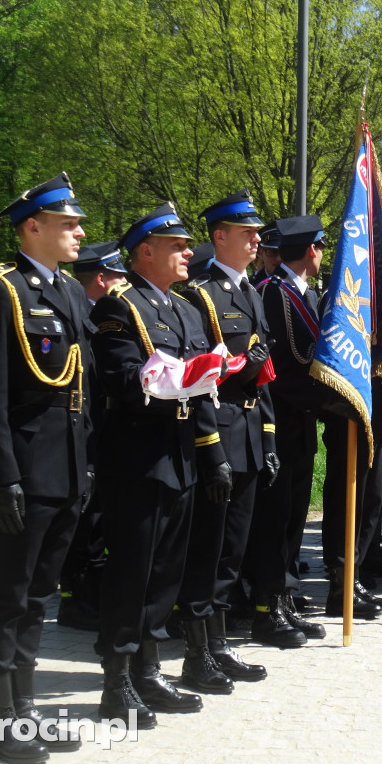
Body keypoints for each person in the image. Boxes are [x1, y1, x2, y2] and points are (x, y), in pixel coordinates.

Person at [0, 173, 91, 761]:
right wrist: (2, 475)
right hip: (23, 469)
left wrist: (84, 468)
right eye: (68, 224)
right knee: (8, 594)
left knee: (40, 595)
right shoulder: (0, 292)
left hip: (64, 468)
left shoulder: (67, 292)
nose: (79, 232)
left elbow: (80, 391)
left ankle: (26, 710)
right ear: (32, 227)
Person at [91, 202, 232, 727]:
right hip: (137, 457)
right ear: (144, 252)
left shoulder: (186, 309)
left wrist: (212, 453)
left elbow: (201, 393)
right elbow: (123, 381)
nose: (188, 253)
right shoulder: (117, 307)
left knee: (167, 570)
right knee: (132, 569)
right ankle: (117, 680)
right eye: (176, 247)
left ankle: (149, 670)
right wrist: (168, 379)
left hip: (179, 456)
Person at [178, 190, 286, 688]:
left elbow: (263, 375)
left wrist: (267, 438)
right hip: (217, 435)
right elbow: (202, 377)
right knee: (209, 547)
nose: (256, 240)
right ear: (219, 236)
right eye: (247, 233)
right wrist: (212, 450)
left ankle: (220, 645)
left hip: (246, 432)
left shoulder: (249, 292)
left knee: (233, 549)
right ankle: (198, 652)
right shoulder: (200, 294)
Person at [250, 215, 332, 642]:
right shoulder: (269, 294)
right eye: (320, 246)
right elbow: (279, 368)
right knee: (274, 518)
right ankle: (266, 607)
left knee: (294, 517)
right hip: (277, 422)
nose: (322, 253)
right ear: (311, 249)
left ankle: (284, 596)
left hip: (301, 423)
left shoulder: (308, 295)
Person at [57, 241, 128, 633]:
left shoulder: (96, 314)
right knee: (82, 520)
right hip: (80, 432)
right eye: (118, 275)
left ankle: (91, 592)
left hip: (101, 429)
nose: (123, 282)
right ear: (101, 278)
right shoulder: (79, 315)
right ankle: (75, 598)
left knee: (96, 516)